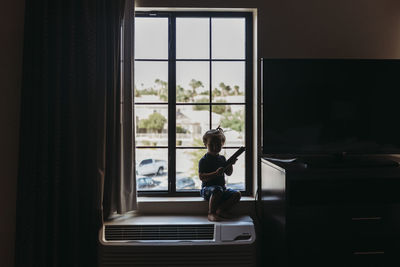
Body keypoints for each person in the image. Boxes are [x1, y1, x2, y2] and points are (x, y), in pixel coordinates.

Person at [199, 126, 241, 221]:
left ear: (222, 144)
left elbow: (229, 173)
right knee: (217, 189)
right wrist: (215, 173)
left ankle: (221, 210)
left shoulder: (222, 159)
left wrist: (230, 164)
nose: (215, 147)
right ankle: (211, 213)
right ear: (205, 144)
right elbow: (201, 177)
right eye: (211, 145)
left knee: (237, 194)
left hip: (221, 190)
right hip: (207, 190)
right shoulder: (204, 160)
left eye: (218, 145)